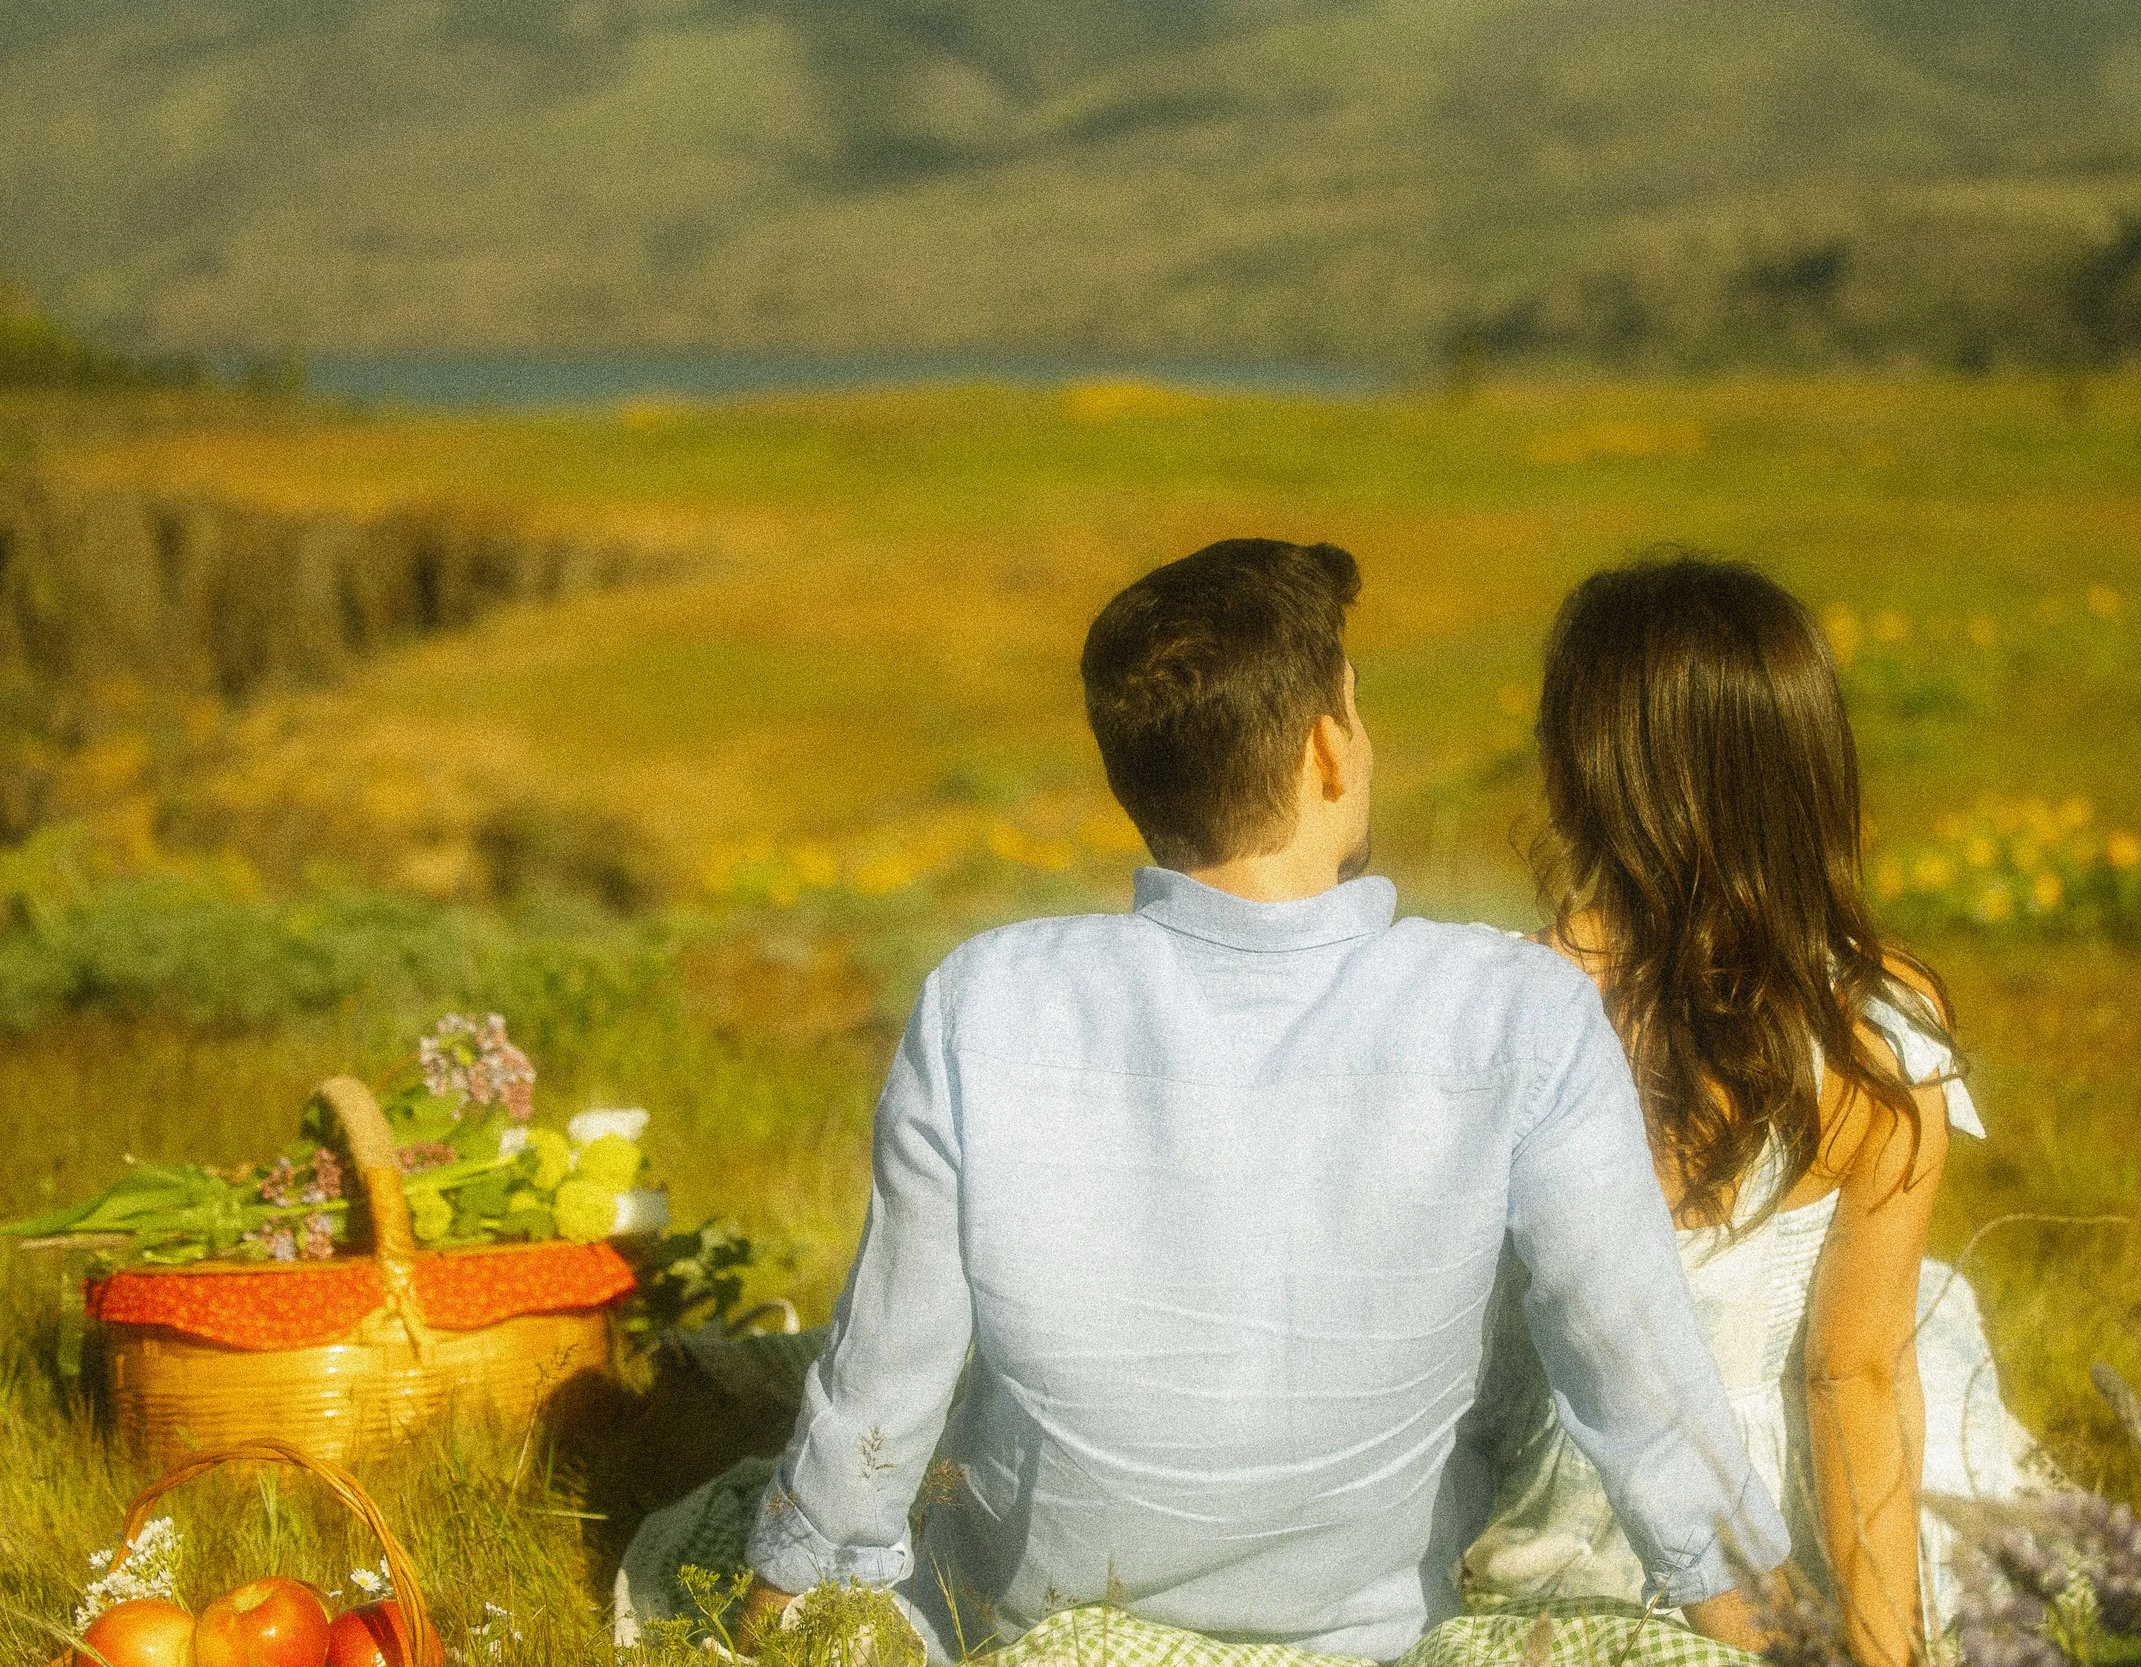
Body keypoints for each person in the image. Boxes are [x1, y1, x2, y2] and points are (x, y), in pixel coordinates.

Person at [734, 539, 1792, 1663]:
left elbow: (886, 1367)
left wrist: (765, 1610)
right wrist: (1778, 1641)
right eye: (1358, 711)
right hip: (1366, 1635)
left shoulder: (985, 997)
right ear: (1328, 749)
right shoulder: (1515, 1011)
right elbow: (1635, 1374)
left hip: (1033, 1619)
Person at [1464, 554, 2041, 1667]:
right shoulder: (1878, 1025)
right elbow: (1851, 1373)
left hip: (1570, 1507)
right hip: (1802, 1519)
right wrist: (1888, 1654)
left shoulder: (1500, 1003)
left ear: (1577, 770)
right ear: (1810, 770)